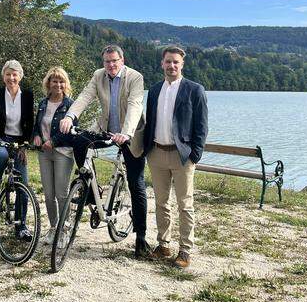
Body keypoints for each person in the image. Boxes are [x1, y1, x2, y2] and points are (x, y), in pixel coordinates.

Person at [59, 44, 149, 258]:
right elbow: (84, 97)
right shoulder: (98, 76)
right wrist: (69, 117)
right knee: (79, 141)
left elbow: (135, 105)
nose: (110, 65)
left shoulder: (135, 78)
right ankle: (91, 190)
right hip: (106, 130)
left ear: (122, 60)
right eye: (107, 62)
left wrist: (126, 133)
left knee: (136, 184)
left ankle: (141, 237)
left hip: (132, 134)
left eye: (114, 61)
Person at [143, 46, 208, 269]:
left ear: (182, 65)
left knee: (184, 204)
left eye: (176, 62)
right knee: (161, 202)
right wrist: (146, 149)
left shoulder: (194, 90)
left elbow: (201, 126)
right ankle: (163, 246)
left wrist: (194, 155)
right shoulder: (153, 90)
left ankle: (185, 250)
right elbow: (149, 121)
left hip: (182, 156)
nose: (171, 66)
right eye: (168, 62)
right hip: (157, 153)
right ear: (162, 63)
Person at [0, 60, 35, 240]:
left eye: (15, 74)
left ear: (20, 76)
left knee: (23, 184)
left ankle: (21, 226)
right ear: (3, 76)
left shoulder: (27, 96)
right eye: (8, 74)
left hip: (19, 142)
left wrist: (25, 145)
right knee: (2, 157)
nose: (11, 78)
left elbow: (30, 123)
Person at [32, 67, 76, 245]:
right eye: (54, 81)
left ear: (65, 84)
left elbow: (71, 130)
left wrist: (54, 141)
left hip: (62, 153)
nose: (58, 84)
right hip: (44, 153)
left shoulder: (70, 105)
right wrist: (36, 135)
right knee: (48, 194)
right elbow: (37, 124)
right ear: (48, 83)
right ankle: (53, 228)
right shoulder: (43, 103)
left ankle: (64, 230)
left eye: (61, 81)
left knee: (61, 193)